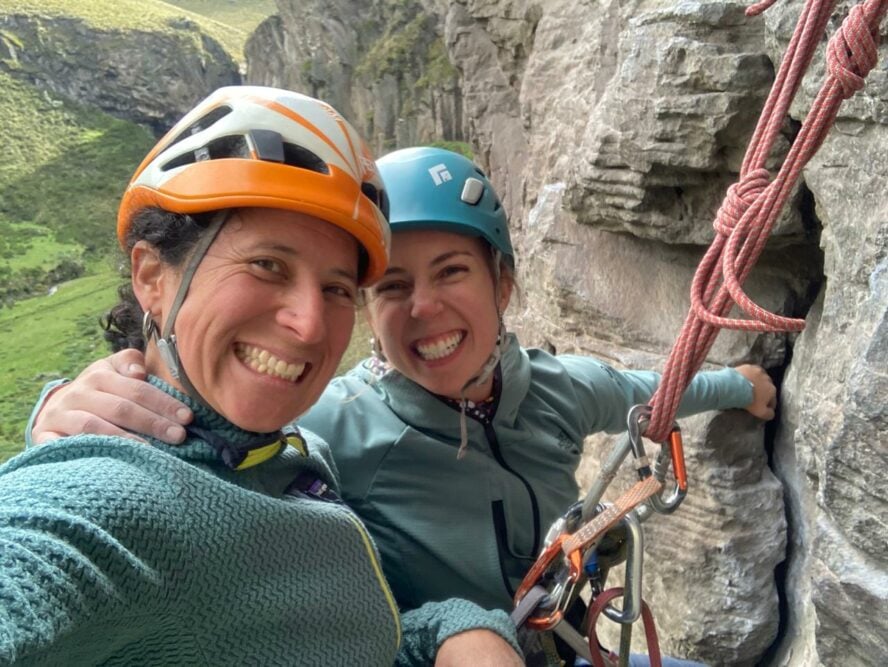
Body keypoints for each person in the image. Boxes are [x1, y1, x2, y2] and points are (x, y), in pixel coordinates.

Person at [29, 147, 776, 665]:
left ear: (504, 287)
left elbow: (655, 392)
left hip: (552, 638)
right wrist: (63, 411)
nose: (423, 308)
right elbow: (200, 456)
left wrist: (743, 383)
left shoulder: (562, 386)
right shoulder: (332, 426)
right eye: (390, 288)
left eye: (451, 271)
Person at [1, 89, 524, 666]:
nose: (308, 325)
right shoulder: (114, 501)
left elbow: (350, 637)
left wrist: (457, 630)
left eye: (336, 289)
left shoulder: (289, 452)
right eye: (267, 265)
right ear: (153, 276)